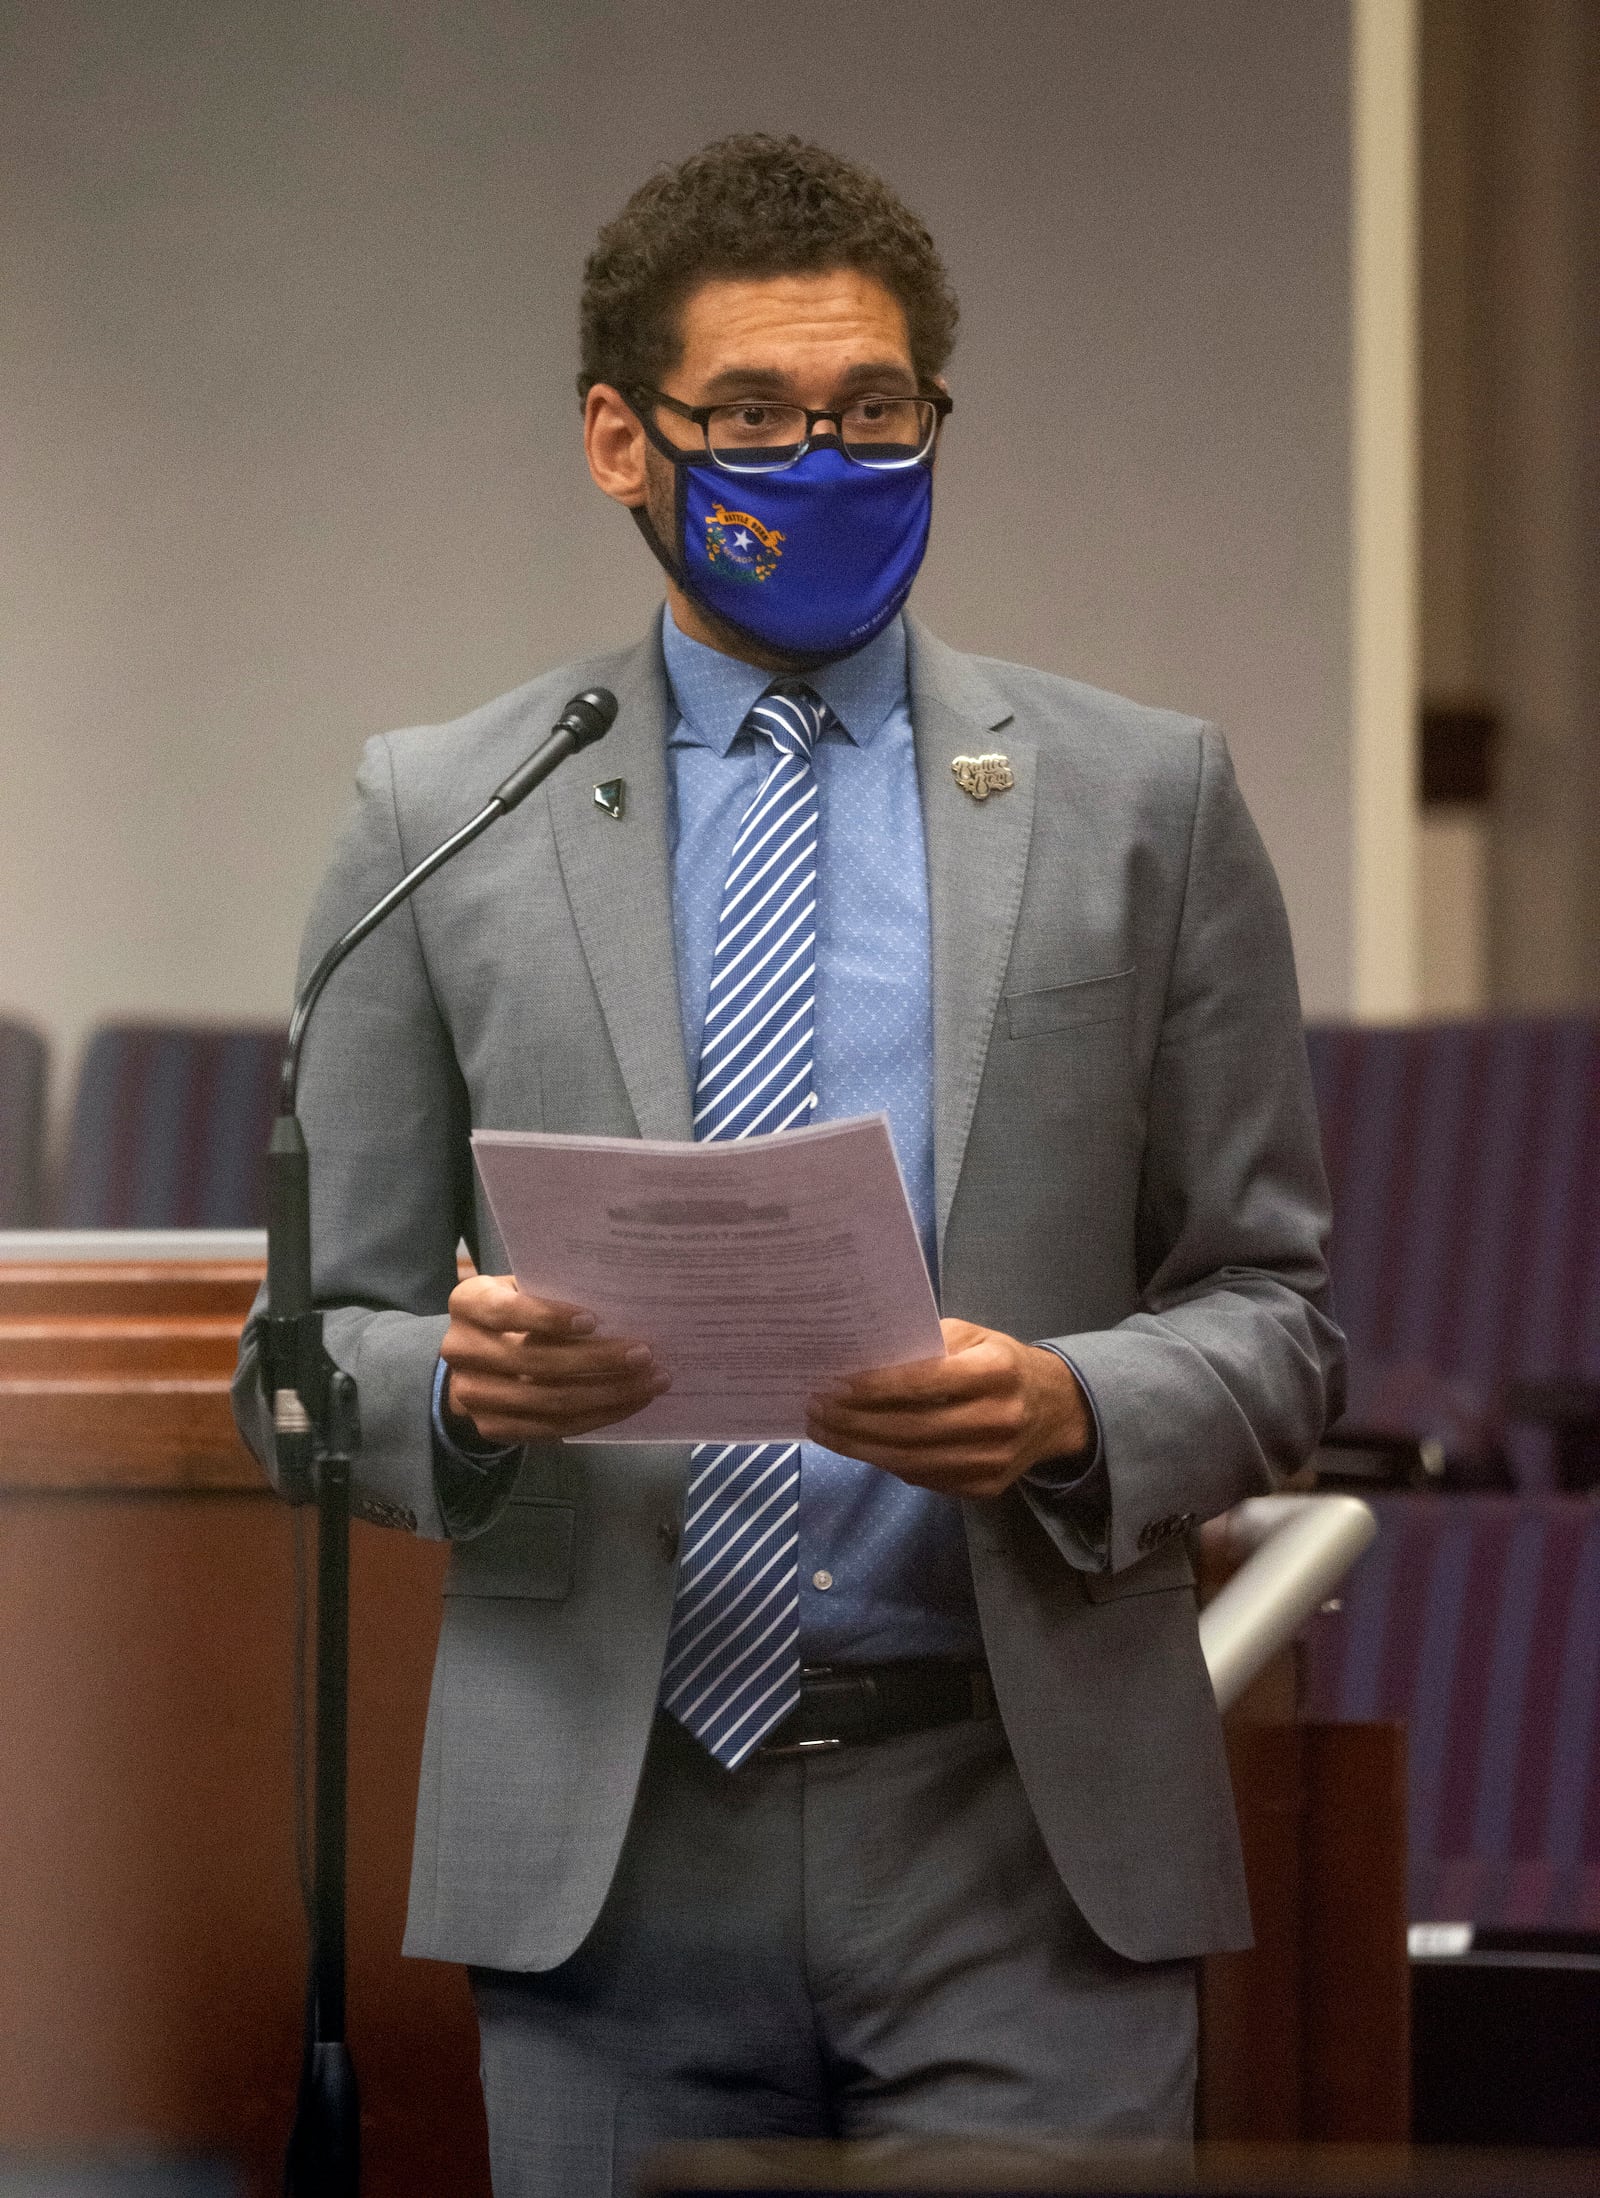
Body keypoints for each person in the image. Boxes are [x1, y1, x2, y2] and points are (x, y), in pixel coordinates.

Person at [234, 134, 1344, 2194]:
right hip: (611, 1832)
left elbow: (1277, 1316)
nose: (819, 463)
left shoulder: (1139, 798)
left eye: (872, 412)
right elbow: (304, 1357)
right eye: (751, 416)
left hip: (1018, 1822)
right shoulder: (438, 814)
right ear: (616, 437)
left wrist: (1068, 1402)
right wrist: (465, 1397)